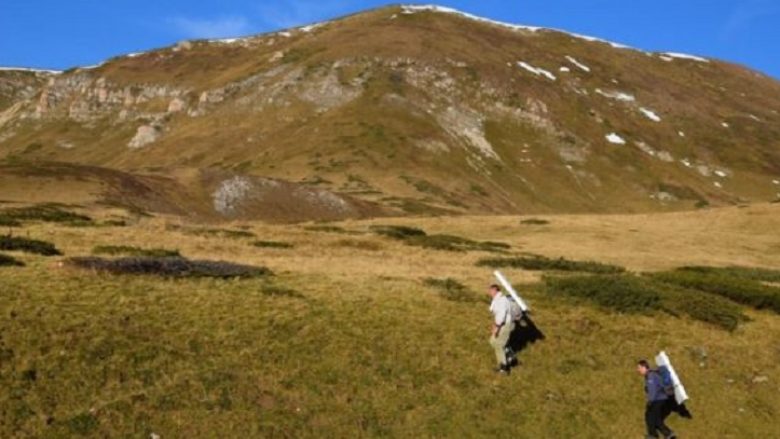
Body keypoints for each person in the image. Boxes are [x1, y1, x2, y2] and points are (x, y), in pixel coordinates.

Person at [637, 359, 677, 439]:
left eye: (639, 367)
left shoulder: (651, 376)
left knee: (649, 416)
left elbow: (653, 390)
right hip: (661, 399)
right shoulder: (651, 374)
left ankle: (653, 435)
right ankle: (668, 434)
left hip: (658, 400)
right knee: (656, 418)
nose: (638, 370)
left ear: (644, 367)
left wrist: (650, 401)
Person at [488, 284, 515, 374]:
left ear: (496, 290)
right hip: (501, 324)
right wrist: (495, 324)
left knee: (498, 344)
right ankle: (510, 356)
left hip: (505, 325)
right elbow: (494, 311)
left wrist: (497, 326)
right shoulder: (497, 300)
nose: (489, 292)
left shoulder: (502, 300)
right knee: (492, 341)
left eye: (491, 290)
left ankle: (503, 367)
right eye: (489, 290)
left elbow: (502, 315)